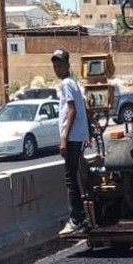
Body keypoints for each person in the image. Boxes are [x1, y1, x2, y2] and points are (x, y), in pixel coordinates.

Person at [50, 48, 91, 236]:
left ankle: (77, 218)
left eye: (60, 65)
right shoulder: (73, 83)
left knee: (70, 179)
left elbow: (72, 111)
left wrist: (64, 138)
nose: (57, 68)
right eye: (55, 66)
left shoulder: (66, 84)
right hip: (78, 136)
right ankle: (83, 216)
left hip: (72, 137)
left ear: (67, 65)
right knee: (76, 177)